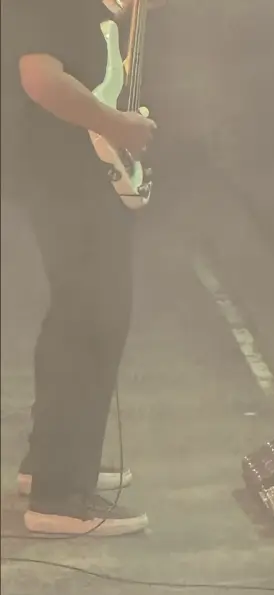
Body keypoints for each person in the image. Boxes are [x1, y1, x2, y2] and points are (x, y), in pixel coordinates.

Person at [1, 0, 157, 535]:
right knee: (92, 322)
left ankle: (51, 467)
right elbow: (39, 77)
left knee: (76, 319)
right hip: (65, 179)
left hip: (73, 176)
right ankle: (61, 498)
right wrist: (117, 125)